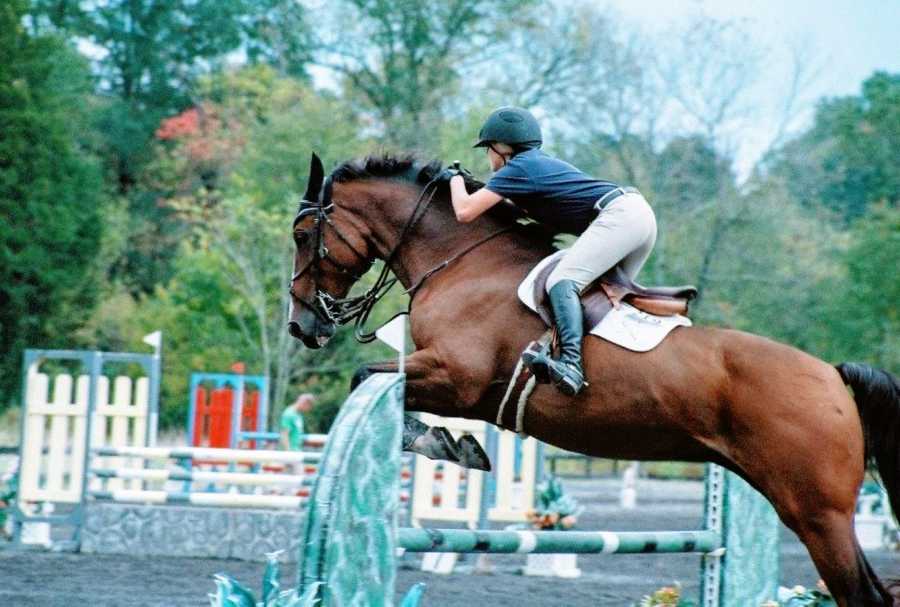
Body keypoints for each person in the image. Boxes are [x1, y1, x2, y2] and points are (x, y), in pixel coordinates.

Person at [443, 106, 658, 397]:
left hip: (620, 216)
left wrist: (455, 179)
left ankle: (571, 363)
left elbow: (465, 211)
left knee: (561, 281)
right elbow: (502, 211)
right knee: (600, 300)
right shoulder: (531, 167)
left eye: (488, 148)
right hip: (635, 216)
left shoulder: (518, 168)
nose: (488, 156)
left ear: (503, 148)